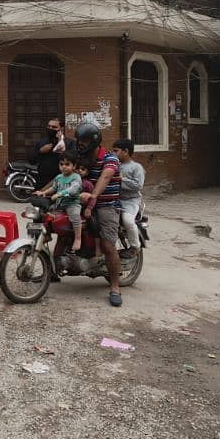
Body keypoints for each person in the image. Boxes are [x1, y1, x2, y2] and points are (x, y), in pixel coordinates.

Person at [76, 122, 123, 307]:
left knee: (107, 245)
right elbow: (63, 174)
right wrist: (44, 191)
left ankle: (115, 287)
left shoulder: (110, 159)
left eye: (85, 140)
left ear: (94, 141)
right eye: (79, 140)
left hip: (106, 205)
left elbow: (106, 176)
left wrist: (93, 195)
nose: (81, 144)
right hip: (84, 203)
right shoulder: (82, 158)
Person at [34, 151, 83, 252]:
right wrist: (43, 193)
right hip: (60, 204)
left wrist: (60, 194)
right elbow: (53, 188)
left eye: (67, 164)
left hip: (72, 204)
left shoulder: (76, 177)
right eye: (61, 164)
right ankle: (46, 235)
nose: (64, 167)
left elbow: (74, 188)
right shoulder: (59, 177)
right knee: (46, 215)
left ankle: (78, 238)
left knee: (75, 216)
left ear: (74, 166)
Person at [113, 138, 145, 252]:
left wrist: (122, 179)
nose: (113, 153)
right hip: (115, 200)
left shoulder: (136, 167)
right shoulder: (114, 165)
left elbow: (138, 185)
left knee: (128, 221)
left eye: (116, 151)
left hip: (131, 201)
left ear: (125, 151)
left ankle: (135, 246)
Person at [31, 118, 76, 190]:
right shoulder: (42, 142)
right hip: (42, 182)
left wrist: (60, 143)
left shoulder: (70, 143)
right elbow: (31, 160)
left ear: (61, 128)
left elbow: (72, 159)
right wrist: (40, 151)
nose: (50, 128)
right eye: (49, 126)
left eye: (54, 127)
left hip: (62, 182)